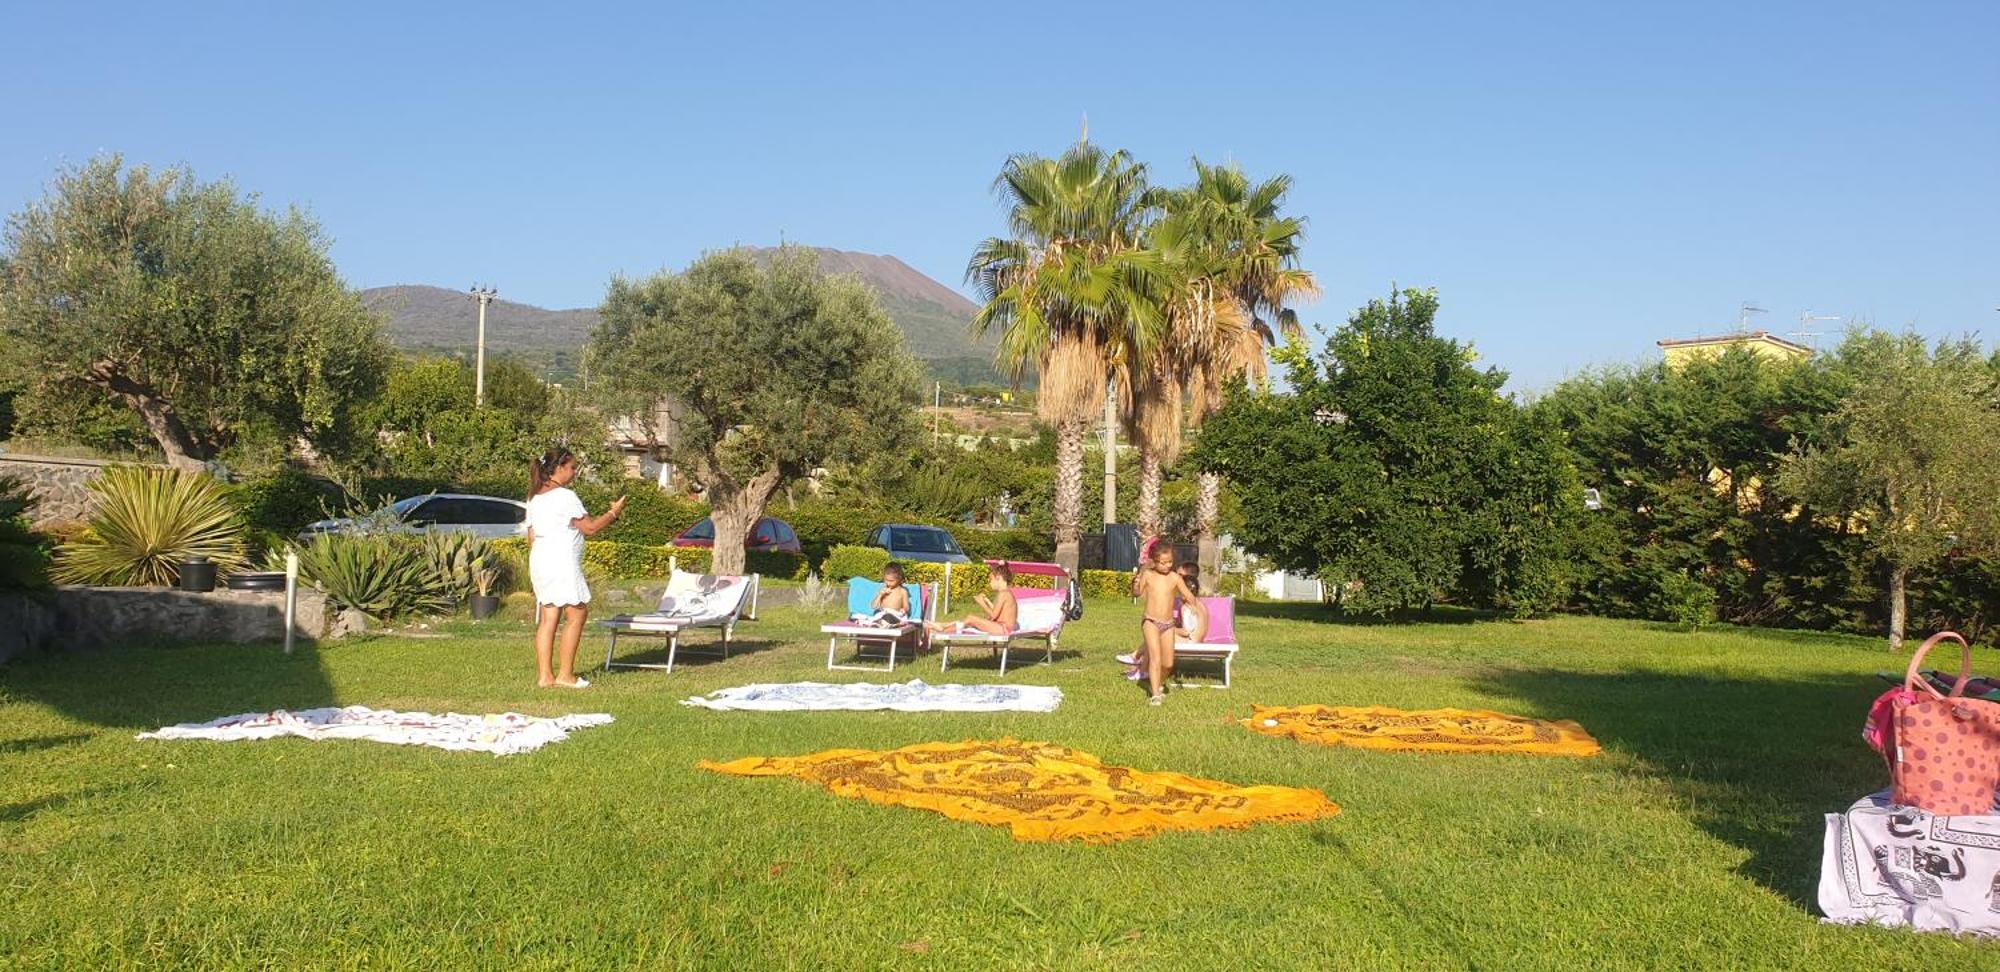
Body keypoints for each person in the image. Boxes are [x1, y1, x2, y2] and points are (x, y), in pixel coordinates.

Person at [524, 447, 625, 688]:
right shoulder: (565, 497)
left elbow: (531, 536)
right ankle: (566, 675)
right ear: (558, 468)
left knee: (549, 616)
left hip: (540, 559)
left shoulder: (534, 497)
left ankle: (545, 676)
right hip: (562, 560)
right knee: (577, 612)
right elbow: (590, 528)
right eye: (571, 467)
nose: (574, 472)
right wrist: (614, 512)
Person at [1129, 542, 1204, 705]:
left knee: (1168, 663)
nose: (1166, 565)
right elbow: (1136, 593)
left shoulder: (1175, 578)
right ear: (1154, 561)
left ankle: (1158, 682)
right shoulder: (1148, 575)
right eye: (1162, 563)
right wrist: (1135, 584)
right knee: (1155, 658)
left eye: (1169, 562)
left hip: (1168, 624)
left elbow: (1188, 595)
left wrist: (1196, 608)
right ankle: (1155, 694)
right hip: (1151, 621)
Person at [927, 562, 1017, 635]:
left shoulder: (1004, 594)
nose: (990, 583)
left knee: (971, 618)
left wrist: (981, 603)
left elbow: (993, 616)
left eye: (991, 580)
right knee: (969, 622)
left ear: (998, 578)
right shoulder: (1005, 593)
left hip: (1003, 629)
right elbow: (998, 613)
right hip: (1001, 627)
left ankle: (943, 631)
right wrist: (987, 601)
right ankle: (944, 626)